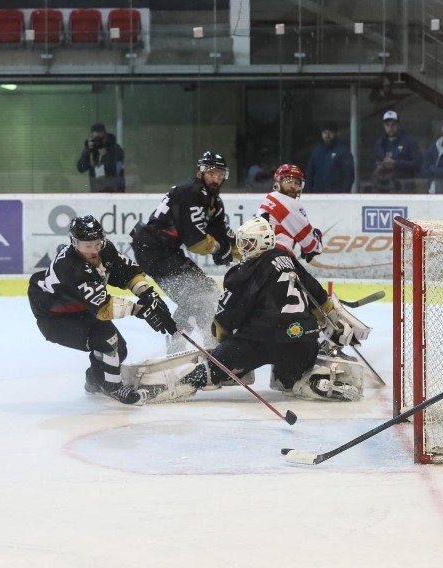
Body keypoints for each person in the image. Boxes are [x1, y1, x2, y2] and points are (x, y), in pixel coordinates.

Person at [134, 217, 368, 403]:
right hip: (302, 342)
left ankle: (177, 384)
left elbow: (224, 322)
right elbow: (320, 300)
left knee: (215, 366)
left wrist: (224, 347)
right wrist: (331, 326)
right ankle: (309, 381)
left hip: (261, 341)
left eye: (246, 242)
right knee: (288, 380)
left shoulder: (244, 272)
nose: (242, 247)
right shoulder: (288, 260)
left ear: (261, 242)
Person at [28, 215, 176, 405]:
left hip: (81, 308)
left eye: (97, 243)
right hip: (55, 318)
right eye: (86, 246)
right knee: (106, 339)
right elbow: (103, 308)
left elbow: (127, 272)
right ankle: (112, 386)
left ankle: (94, 379)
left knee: (119, 350)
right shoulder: (71, 266)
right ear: (74, 243)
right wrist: (142, 310)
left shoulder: (106, 250)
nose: (93, 250)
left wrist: (149, 295)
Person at [130, 151, 239, 353]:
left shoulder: (214, 202)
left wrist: (244, 251)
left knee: (207, 291)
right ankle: (178, 341)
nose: (216, 178)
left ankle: (208, 338)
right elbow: (196, 242)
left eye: (220, 174)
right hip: (152, 249)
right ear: (200, 172)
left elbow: (222, 236)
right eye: (211, 173)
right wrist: (222, 250)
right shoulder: (192, 192)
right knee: (195, 295)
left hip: (167, 251)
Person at [256, 164, 323, 263]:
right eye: (288, 181)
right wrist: (317, 239)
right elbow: (310, 246)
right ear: (277, 182)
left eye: (297, 183)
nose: (293, 186)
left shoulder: (269, 198)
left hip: (258, 259)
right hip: (277, 258)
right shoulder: (290, 203)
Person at [371, 110, 422, 193]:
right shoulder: (380, 143)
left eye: (393, 124)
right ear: (383, 126)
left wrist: (396, 163)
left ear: (398, 125)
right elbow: (373, 163)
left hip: (404, 188)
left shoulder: (409, 142)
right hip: (383, 188)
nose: (390, 128)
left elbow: (418, 164)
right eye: (387, 125)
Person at [305, 122, 355, 193]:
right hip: (317, 195)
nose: (327, 135)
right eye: (325, 132)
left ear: (336, 133)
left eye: (330, 132)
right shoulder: (316, 152)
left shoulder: (343, 151)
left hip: (336, 195)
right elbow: (309, 174)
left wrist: (344, 194)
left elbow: (349, 175)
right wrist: (309, 192)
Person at [76, 122, 125, 193]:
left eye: (101, 139)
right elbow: (81, 168)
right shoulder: (92, 151)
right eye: (96, 139)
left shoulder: (115, 149)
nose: (99, 142)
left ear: (105, 136)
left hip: (114, 192)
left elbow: (117, 171)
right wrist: (87, 151)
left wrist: (106, 155)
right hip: (96, 192)